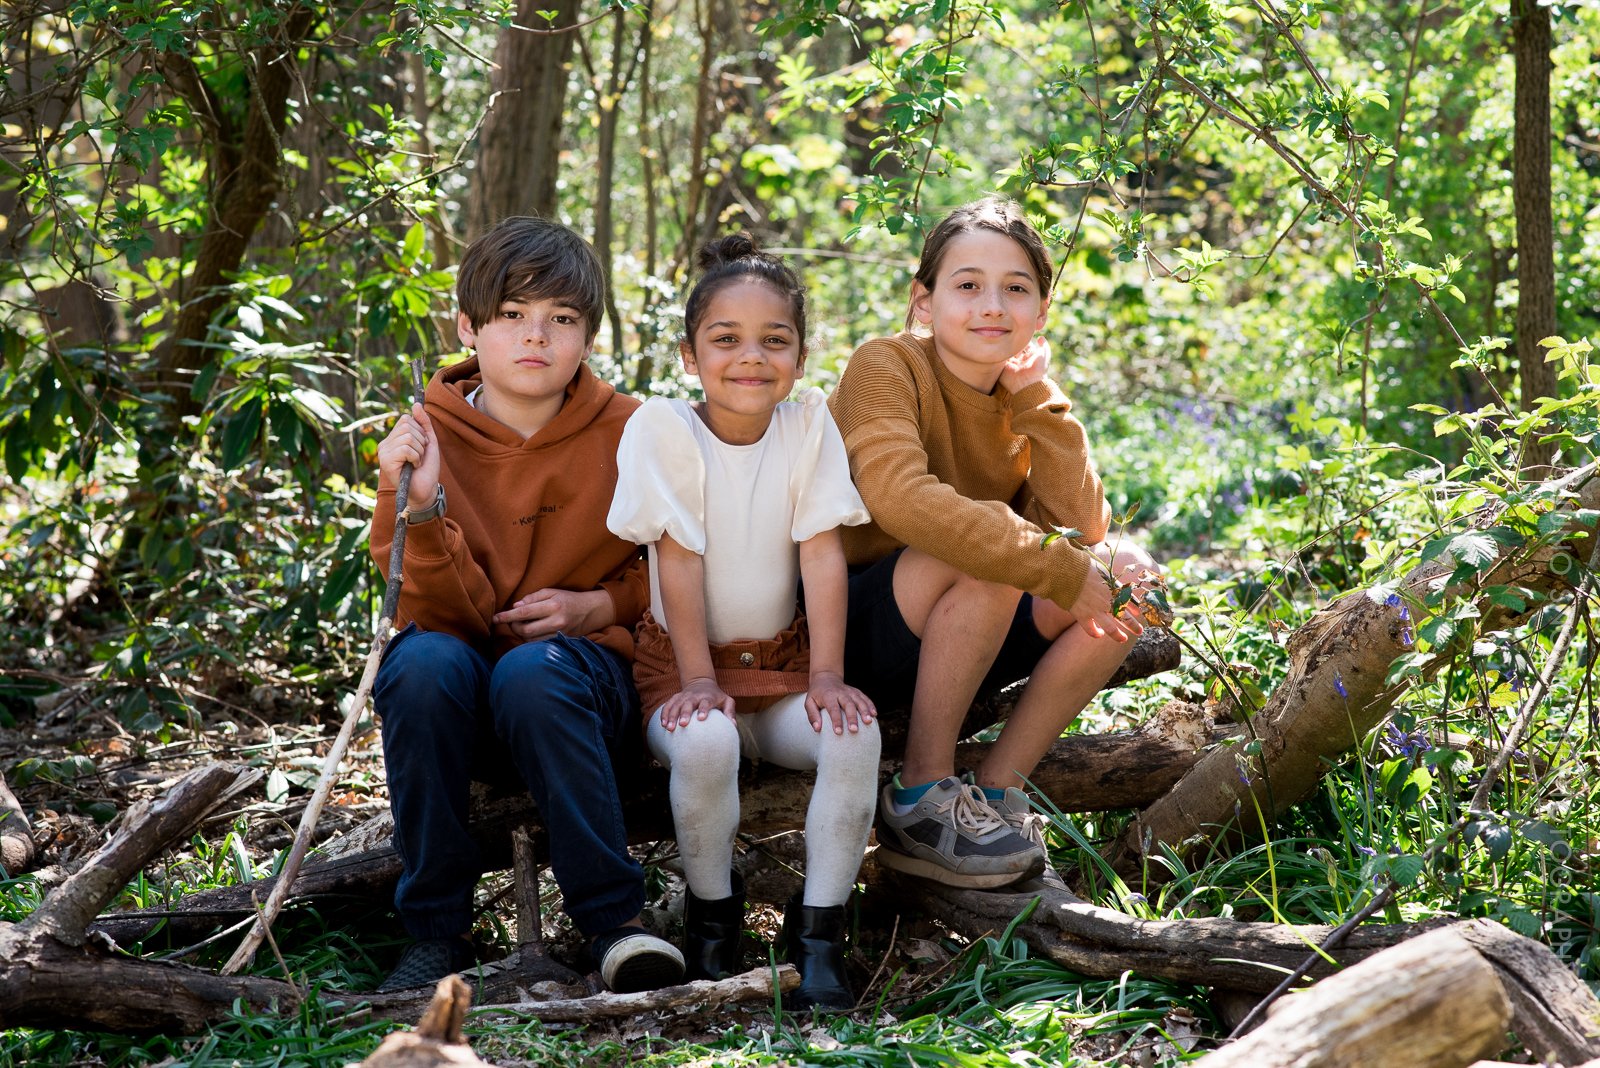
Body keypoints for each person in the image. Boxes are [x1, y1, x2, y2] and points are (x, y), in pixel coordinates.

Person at [368, 217, 684, 994]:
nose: (535, 337)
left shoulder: (636, 429)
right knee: (421, 665)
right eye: (512, 316)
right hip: (461, 699)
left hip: (579, 695)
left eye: (562, 320)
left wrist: (593, 607)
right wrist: (422, 503)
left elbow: (678, 570)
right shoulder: (421, 435)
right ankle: (436, 934)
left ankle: (614, 923)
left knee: (534, 675)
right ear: (469, 328)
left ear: (588, 337)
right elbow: (423, 605)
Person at [829, 196, 1160, 890]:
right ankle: (918, 797)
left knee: (1125, 593)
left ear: (1041, 313)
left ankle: (996, 794)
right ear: (924, 301)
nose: (992, 305)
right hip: (853, 628)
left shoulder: (1023, 392)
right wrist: (1055, 563)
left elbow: (1081, 524)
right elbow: (899, 496)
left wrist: (1038, 401)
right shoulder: (885, 366)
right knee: (991, 556)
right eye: (967, 284)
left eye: (1016, 289)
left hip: (965, 622)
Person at [607, 234, 881, 1011]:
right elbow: (678, 559)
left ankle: (820, 936)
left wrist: (826, 675)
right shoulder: (665, 427)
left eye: (775, 340)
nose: (750, 357)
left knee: (854, 735)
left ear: (799, 354)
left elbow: (822, 556)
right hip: (684, 670)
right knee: (707, 738)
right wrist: (697, 679)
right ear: (691, 355)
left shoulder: (807, 427)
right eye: (725, 339)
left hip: (785, 669)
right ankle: (713, 925)